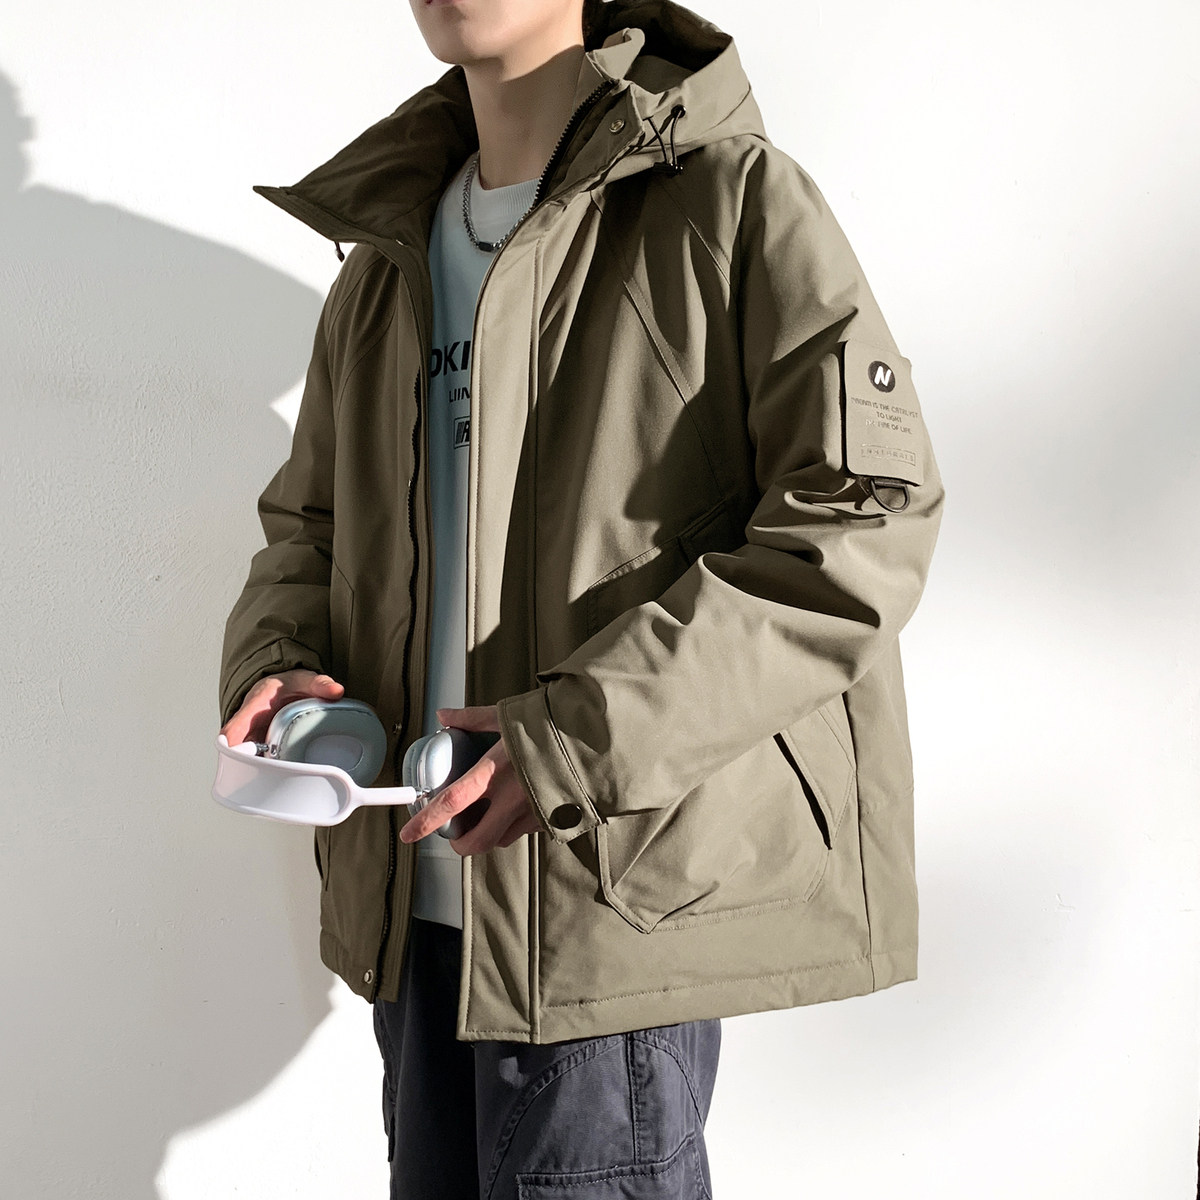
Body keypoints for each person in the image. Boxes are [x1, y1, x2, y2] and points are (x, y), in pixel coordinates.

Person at [217, 0, 945, 1194]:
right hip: (420, 918)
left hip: (608, 905)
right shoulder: (390, 257)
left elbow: (864, 523)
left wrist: (575, 742)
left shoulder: (730, 203)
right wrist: (279, 664)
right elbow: (311, 528)